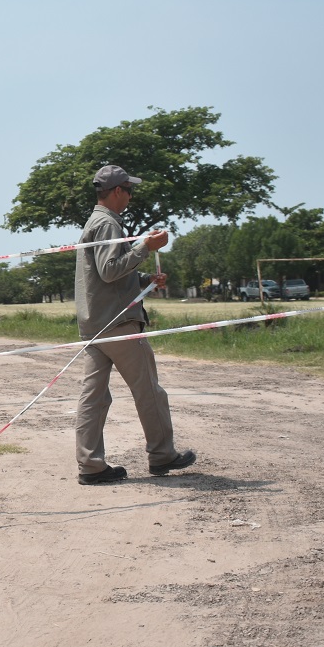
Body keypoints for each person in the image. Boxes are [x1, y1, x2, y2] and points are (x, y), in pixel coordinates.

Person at [73, 164, 197, 485]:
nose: (130, 196)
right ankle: (162, 454)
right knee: (149, 391)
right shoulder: (108, 224)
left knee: (94, 398)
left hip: (95, 325)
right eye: (129, 190)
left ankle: (90, 465)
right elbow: (110, 270)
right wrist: (146, 247)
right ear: (118, 191)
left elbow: (106, 276)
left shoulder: (95, 222)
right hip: (119, 324)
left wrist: (144, 280)